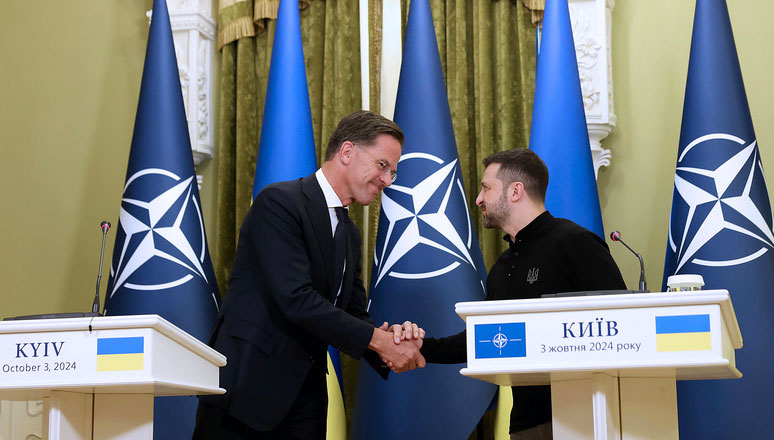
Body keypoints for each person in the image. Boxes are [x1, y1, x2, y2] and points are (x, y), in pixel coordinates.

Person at [193, 111, 425, 439]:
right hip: (246, 395)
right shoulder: (279, 203)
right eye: (383, 166)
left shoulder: (350, 234)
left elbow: (353, 313)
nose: (387, 180)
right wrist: (380, 342)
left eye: (393, 173)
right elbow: (296, 299)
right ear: (347, 152)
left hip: (306, 400)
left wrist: (393, 338)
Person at [417, 148, 626, 440]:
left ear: (515, 191)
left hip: (585, 417)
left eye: (486, 188)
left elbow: (622, 324)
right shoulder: (502, 267)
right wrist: (418, 347)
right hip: (525, 424)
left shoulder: (576, 244)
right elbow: (483, 339)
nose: (478, 199)